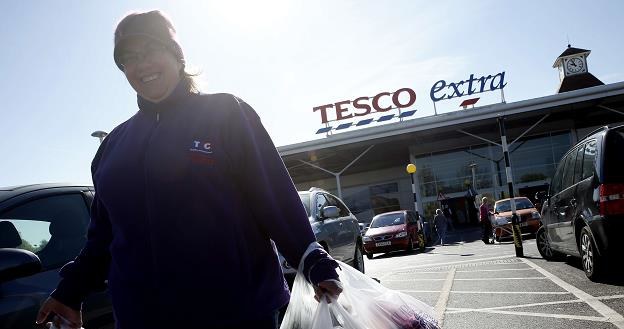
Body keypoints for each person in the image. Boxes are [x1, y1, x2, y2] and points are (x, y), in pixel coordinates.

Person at [36, 10, 342, 329]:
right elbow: (103, 237)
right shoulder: (113, 146)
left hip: (235, 311)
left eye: (151, 50)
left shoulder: (225, 113)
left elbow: (273, 198)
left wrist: (312, 260)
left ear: (176, 55)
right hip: (141, 317)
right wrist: (70, 292)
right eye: (129, 58)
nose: (141, 65)